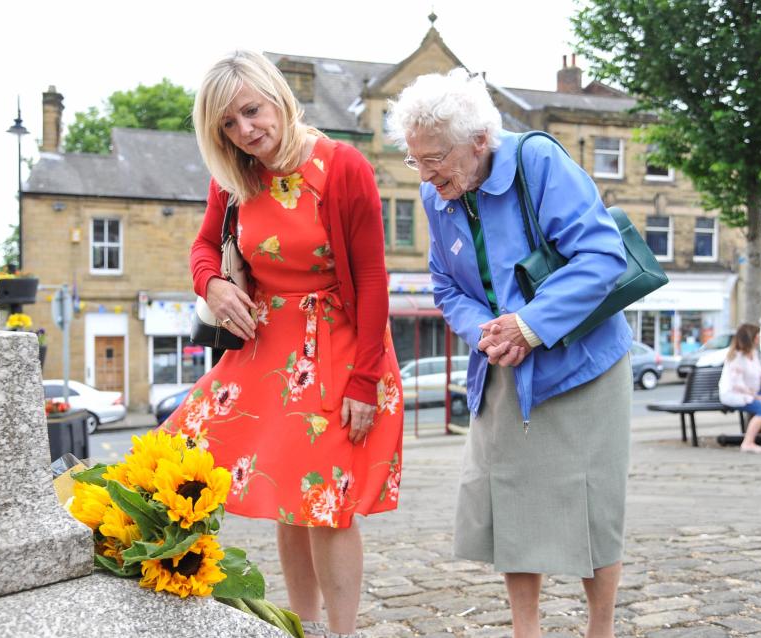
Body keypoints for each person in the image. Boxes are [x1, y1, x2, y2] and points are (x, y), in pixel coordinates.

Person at [159, 50, 403, 638]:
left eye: (251, 111)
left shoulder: (341, 166)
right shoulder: (236, 175)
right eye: (229, 124)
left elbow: (371, 279)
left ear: (276, 96)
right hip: (264, 349)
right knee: (275, 495)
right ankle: (306, 627)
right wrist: (212, 284)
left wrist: (365, 379)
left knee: (326, 501)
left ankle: (341, 633)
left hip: (340, 346)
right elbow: (200, 249)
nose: (246, 131)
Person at [386, 69, 634, 638]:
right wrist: (486, 334)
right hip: (504, 363)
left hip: (583, 364)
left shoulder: (538, 162)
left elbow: (601, 255)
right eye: (415, 160)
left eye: (436, 159)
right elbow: (446, 286)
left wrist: (528, 324)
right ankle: (528, 632)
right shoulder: (435, 190)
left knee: (594, 507)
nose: (426, 175)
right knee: (513, 502)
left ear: (480, 140)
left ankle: (602, 629)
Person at [719, 323, 761, 453]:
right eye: (757, 336)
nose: (759, 338)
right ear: (750, 338)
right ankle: (747, 443)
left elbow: (758, 371)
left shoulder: (753, 353)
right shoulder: (735, 357)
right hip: (734, 394)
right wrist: (755, 396)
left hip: (750, 392)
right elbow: (736, 384)